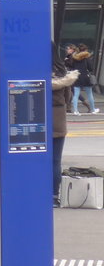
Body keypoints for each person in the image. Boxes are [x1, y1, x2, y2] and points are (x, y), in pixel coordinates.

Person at [51, 43, 79, 207]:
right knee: (55, 161)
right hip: (58, 123)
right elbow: (68, 99)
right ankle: (54, 195)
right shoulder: (63, 75)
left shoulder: (32, 73)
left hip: (36, 121)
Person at [69, 43, 98, 115]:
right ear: (85, 50)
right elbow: (90, 68)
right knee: (89, 94)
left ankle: (76, 110)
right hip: (85, 77)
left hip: (77, 77)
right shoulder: (86, 58)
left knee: (76, 95)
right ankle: (93, 109)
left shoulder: (74, 58)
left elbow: (71, 66)